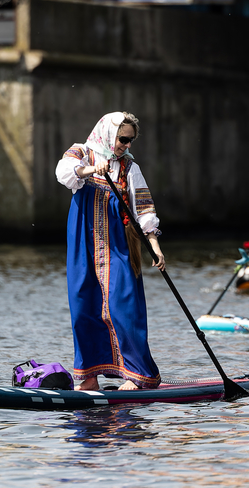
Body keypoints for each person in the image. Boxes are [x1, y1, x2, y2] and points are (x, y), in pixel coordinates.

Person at [55, 111, 164, 391]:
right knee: (84, 306)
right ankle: (89, 376)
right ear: (108, 134)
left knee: (123, 306)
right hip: (83, 241)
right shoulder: (81, 152)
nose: (126, 145)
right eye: (122, 139)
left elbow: (144, 208)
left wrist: (154, 245)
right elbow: (64, 173)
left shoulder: (129, 168)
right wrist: (92, 169)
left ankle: (137, 374)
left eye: (130, 141)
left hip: (117, 243)